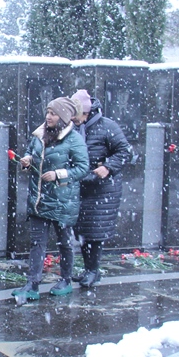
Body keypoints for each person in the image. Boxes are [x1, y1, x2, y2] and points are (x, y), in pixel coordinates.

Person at [12, 97, 89, 300]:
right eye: (47, 112)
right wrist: (27, 160)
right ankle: (32, 284)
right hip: (39, 200)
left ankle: (65, 280)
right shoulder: (39, 135)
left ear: (63, 117)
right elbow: (31, 152)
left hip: (63, 202)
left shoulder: (74, 139)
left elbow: (83, 167)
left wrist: (58, 175)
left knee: (64, 243)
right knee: (36, 243)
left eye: (53, 114)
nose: (48, 117)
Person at [71, 89, 132, 288]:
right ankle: (88, 269)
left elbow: (125, 151)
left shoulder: (107, 126)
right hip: (82, 186)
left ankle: (93, 270)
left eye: (75, 113)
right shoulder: (75, 128)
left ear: (85, 112)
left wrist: (107, 167)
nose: (72, 118)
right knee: (83, 229)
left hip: (103, 189)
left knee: (95, 230)